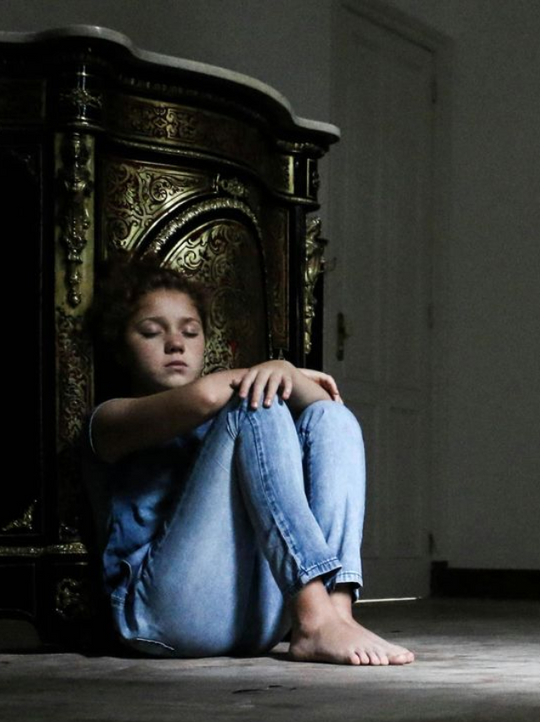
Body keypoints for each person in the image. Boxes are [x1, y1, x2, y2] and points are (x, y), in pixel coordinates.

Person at [80, 256, 414, 665]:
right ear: (120, 348)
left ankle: (334, 611)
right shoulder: (110, 419)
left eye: (190, 331)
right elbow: (206, 396)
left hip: (253, 616)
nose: (176, 343)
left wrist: (283, 371)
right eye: (151, 332)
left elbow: (327, 407)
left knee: (333, 418)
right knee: (259, 405)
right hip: (163, 618)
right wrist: (278, 372)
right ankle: (314, 617)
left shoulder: (228, 416)